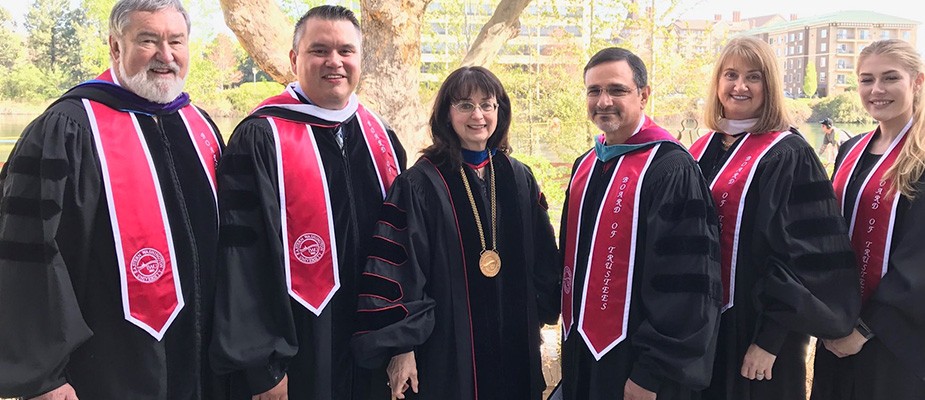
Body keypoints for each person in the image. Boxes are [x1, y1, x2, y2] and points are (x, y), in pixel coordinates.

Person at [0, 0, 226, 398]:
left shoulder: (200, 127)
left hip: (203, 360)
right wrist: (43, 377)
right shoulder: (68, 128)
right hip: (107, 367)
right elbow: (28, 253)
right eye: (148, 40)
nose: (165, 55)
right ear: (115, 47)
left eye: (176, 41)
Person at [209, 5, 407, 400]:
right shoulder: (261, 137)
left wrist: (402, 339)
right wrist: (263, 366)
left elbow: (404, 249)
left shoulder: (380, 137)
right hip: (296, 352)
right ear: (294, 59)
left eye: (346, 51)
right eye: (320, 50)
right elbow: (241, 262)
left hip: (370, 350)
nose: (334, 62)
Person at [351, 66, 560, 399]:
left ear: (499, 112)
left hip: (515, 343)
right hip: (447, 352)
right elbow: (398, 270)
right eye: (465, 105)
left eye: (487, 105)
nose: (477, 115)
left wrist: (543, 310)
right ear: (447, 115)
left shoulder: (519, 178)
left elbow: (545, 260)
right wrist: (401, 347)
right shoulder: (419, 184)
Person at [686, 36, 860, 400]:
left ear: (771, 85)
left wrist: (769, 340)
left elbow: (805, 257)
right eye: (730, 74)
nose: (740, 86)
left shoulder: (788, 153)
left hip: (758, 329)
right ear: (717, 83)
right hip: (702, 328)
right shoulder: (699, 151)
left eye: (754, 76)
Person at [557, 47, 722, 400]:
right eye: (594, 91)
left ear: (644, 95)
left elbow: (687, 282)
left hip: (638, 363)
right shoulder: (586, 166)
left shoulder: (671, 169)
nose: (603, 101)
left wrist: (653, 372)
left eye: (616, 90)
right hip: (582, 351)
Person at [811, 39, 925, 399]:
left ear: (917, 81)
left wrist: (864, 328)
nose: (877, 90)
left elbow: (919, 259)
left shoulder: (920, 157)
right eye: (866, 79)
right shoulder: (850, 149)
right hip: (837, 326)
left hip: (895, 337)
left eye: (890, 78)